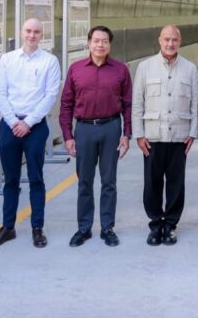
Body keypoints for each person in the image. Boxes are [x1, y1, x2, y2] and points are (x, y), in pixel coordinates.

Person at [0, 18, 61, 248]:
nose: (32, 35)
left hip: (35, 126)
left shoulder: (50, 61)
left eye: (37, 32)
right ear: (21, 32)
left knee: (36, 178)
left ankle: (37, 227)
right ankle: (8, 227)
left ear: (42, 34)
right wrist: (13, 121)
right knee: (10, 179)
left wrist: (28, 123)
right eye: (28, 31)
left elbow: (50, 95)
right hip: (10, 125)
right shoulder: (7, 60)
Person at [59, 25, 132, 248]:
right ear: (89, 43)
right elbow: (66, 104)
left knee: (109, 181)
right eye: (96, 41)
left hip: (111, 128)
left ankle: (108, 227)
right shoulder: (76, 69)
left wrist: (127, 133)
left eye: (104, 41)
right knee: (85, 181)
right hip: (84, 129)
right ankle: (84, 228)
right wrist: (68, 136)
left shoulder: (120, 70)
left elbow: (128, 104)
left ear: (110, 45)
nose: (100, 45)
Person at [132, 25, 198, 246]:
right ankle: (155, 225)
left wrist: (192, 133)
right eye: (166, 39)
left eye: (174, 40)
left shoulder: (189, 69)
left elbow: (197, 104)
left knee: (176, 184)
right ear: (159, 40)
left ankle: (170, 225)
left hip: (179, 136)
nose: (170, 44)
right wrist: (139, 134)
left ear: (180, 41)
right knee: (151, 184)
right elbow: (137, 103)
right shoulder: (145, 67)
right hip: (152, 136)